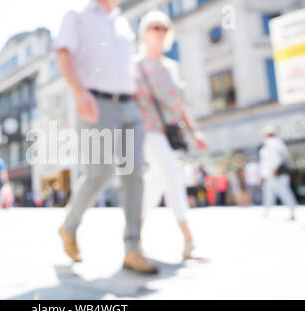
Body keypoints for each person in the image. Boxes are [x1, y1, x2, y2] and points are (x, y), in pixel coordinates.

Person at [55, 0, 157, 273]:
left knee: (134, 172)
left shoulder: (122, 22)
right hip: (95, 104)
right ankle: (69, 226)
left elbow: (128, 67)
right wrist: (78, 92)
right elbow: (63, 54)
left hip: (129, 105)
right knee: (99, 173)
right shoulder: (77, 15)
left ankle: (133, 248)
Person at [134, 11, 208, 260]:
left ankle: (133, 238)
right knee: (174, 176)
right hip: (148, 132)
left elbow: (179, 104)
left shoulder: (172, 67)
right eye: (154, 27)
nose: (160, 31)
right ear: (144, 32)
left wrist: (194, 130)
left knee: (155, 186)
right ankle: (189, 241)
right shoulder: (136, 66)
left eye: (164, 28)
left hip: (170, 132)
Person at [259, 125, 298, 220]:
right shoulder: (272, 143)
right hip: (271, 174)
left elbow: (277, 157)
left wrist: (274, 169)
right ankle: (266, 210)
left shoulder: (274, 143)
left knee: (283, 192)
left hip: (276, 174)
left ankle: (292, 210)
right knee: (268, 192)